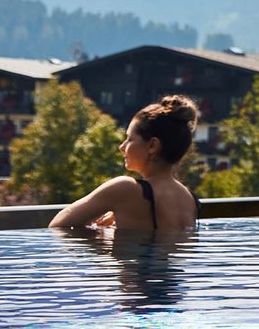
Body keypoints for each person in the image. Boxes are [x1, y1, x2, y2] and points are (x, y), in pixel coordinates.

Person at [50, 94, 201, 233]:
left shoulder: (125, 189)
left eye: (129, 139)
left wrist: (103, 239)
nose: (122, 147)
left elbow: (58, 226)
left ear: (152, 146)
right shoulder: (189, 199)